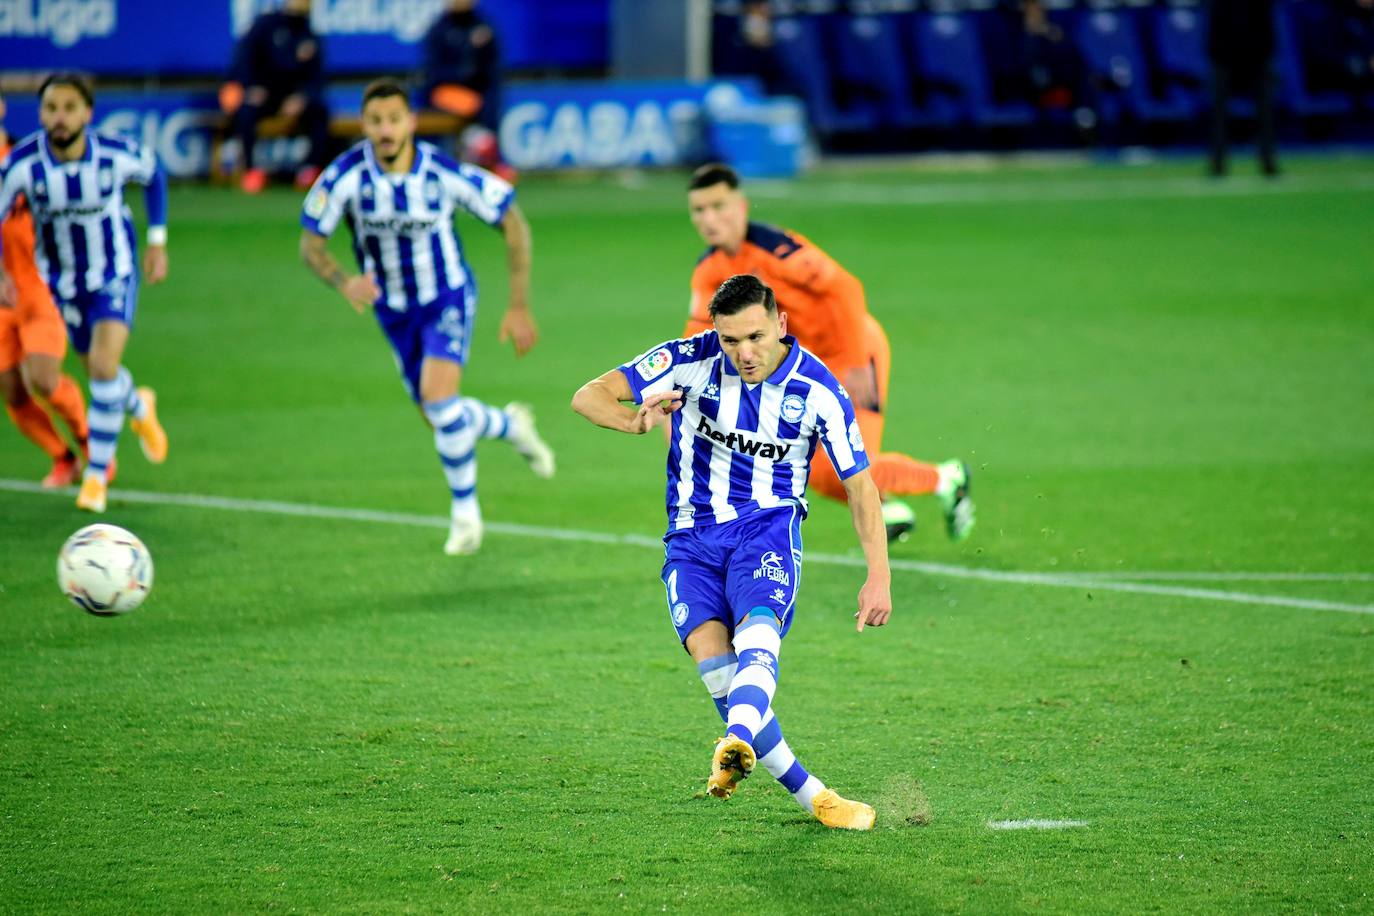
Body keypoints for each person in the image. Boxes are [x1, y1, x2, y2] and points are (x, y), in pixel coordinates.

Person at [572, 274, 890, 830]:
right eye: (730, 340)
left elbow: (860, 485)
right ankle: (813, 796)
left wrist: (878, 575)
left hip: (766, 529)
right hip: (690, 540)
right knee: (720, 673)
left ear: (781, 326)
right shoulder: (688, 359)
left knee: (758, 633)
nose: (744, 353)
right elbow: (587, 395)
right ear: (714, 333)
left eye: (756, 337)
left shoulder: (818, 390)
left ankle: (739, 739)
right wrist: (633, 420)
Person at [299, 79, 553, 556]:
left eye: (394, 119)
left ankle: (465, 515)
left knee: (439, 400)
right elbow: (310, 243)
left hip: (446, 298)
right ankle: (509, 425)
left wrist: (518, 305)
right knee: (439, 416)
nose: (386, 130)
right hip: (393, 312)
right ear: (365, 124)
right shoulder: (346, 176)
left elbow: (512, 219)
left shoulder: (440, 171)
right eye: (375, 121)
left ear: (411, 122)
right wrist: (344, 281)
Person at [683, 163, 974, 542]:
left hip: (853, 349)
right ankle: (905, 497)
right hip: (805, 365)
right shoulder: (709, 271)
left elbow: (846, 290)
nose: (709, 218)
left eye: (718, 206)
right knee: (809, 467)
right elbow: (698, 332)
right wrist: (675, 385)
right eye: (699, 210)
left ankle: (937, 483)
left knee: (842, 463)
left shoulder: (778, 250)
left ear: (741, 206)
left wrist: (853, 363)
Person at [0, 74, 169, 513]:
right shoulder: (21, 165)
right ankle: (138, 404)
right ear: (40, 114)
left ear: (87, 113)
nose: (60, 118)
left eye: (69, 108)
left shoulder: (113, 154)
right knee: (99, 371)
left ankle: (95, 476)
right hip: (61, 283)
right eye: (51, 109)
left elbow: (154, 174)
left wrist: (157, 240)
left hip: (114, 272)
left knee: (102, 367)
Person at [0, 91, 93, 488]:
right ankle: (63, 457)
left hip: (41, 288)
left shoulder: (27, 163)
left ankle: (94, 447)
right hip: (3, 298)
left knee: (43, 377)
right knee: (12, 389)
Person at [222, 0, 331, 194]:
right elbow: (244, 58)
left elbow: (317, 79)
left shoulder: (310, 35)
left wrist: (302, 97)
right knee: (246, 112)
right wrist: (250, 88)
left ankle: (309, 170)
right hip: (264, 94)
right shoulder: (266, 24)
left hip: (293, 99)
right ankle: (251, 171)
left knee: (320, 108)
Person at [420, 0, 514, 180]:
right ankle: (475, 148)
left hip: (479, 101)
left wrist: (490, 123)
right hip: (444, 96)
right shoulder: (439, 29)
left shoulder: (484, 27)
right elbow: (432, 74)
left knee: (483, 108)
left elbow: (493, 76)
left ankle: (485, 149)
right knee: (467, 105)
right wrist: (464, 72)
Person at [1206, 0, 1279, 177]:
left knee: (1265, 110)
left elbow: (1266, 14)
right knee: (1219, 111)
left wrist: (1267, 48)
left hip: (1257, 49)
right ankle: (1218, 162)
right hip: (1224, 50)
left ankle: (1268, 160)